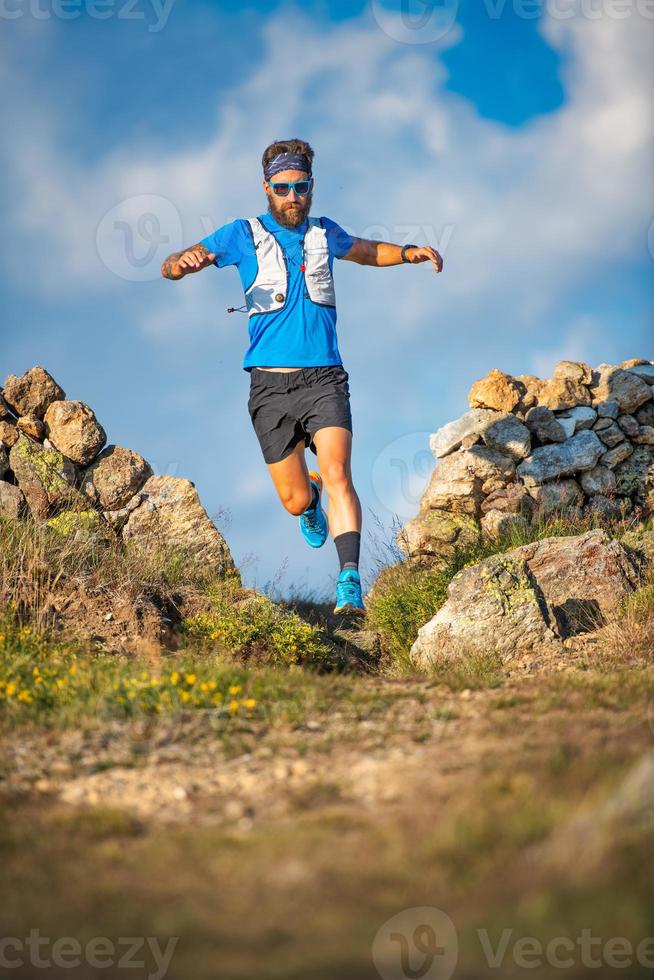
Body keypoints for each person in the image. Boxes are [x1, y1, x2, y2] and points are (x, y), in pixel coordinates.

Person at [160, 138, 443, 616]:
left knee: (339, 473)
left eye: (301, 187)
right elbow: (176, 263)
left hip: (324, 379)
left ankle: (349, 582)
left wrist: (410, 251)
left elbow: (368, 251)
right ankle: (309, 500)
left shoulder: (323, 233)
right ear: (267, 187)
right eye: (283, 187)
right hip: (269, 387)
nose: (293, 195)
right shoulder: (240, 234)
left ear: (312, 187)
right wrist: (180, 266)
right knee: (294, 501)